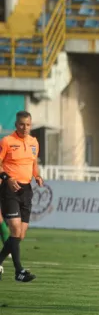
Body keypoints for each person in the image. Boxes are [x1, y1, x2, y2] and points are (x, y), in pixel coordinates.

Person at [0, 111, 42, 282]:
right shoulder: (7, 141)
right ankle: (19, 271)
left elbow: (33, 163)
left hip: (26, 190)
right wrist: (7, 179)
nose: (25, 128)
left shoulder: (34, 142)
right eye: (21, 124)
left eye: (28, 125)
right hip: (10, 189)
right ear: (16, 125)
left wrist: (37, 176)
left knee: (20, 235)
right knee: (15, 230)